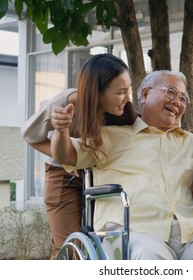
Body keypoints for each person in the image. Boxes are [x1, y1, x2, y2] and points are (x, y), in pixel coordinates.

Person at [50, 70, 193, 260]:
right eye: (171, 93)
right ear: (145, 94)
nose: (178, 102)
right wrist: (61, 131)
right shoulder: (111, 136)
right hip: (137, 233)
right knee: (151, 259)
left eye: (183, 98)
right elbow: (66, 155)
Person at [21, 53, 138, 259]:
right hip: (64, 179)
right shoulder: (65, 105)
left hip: (99, 176)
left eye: (128, 89)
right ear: (97, 92)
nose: (127, 97)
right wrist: (68, 158)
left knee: (99, 245)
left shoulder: (122, 109)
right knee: (71, 247)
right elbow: (30, 135)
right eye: (120, 92)